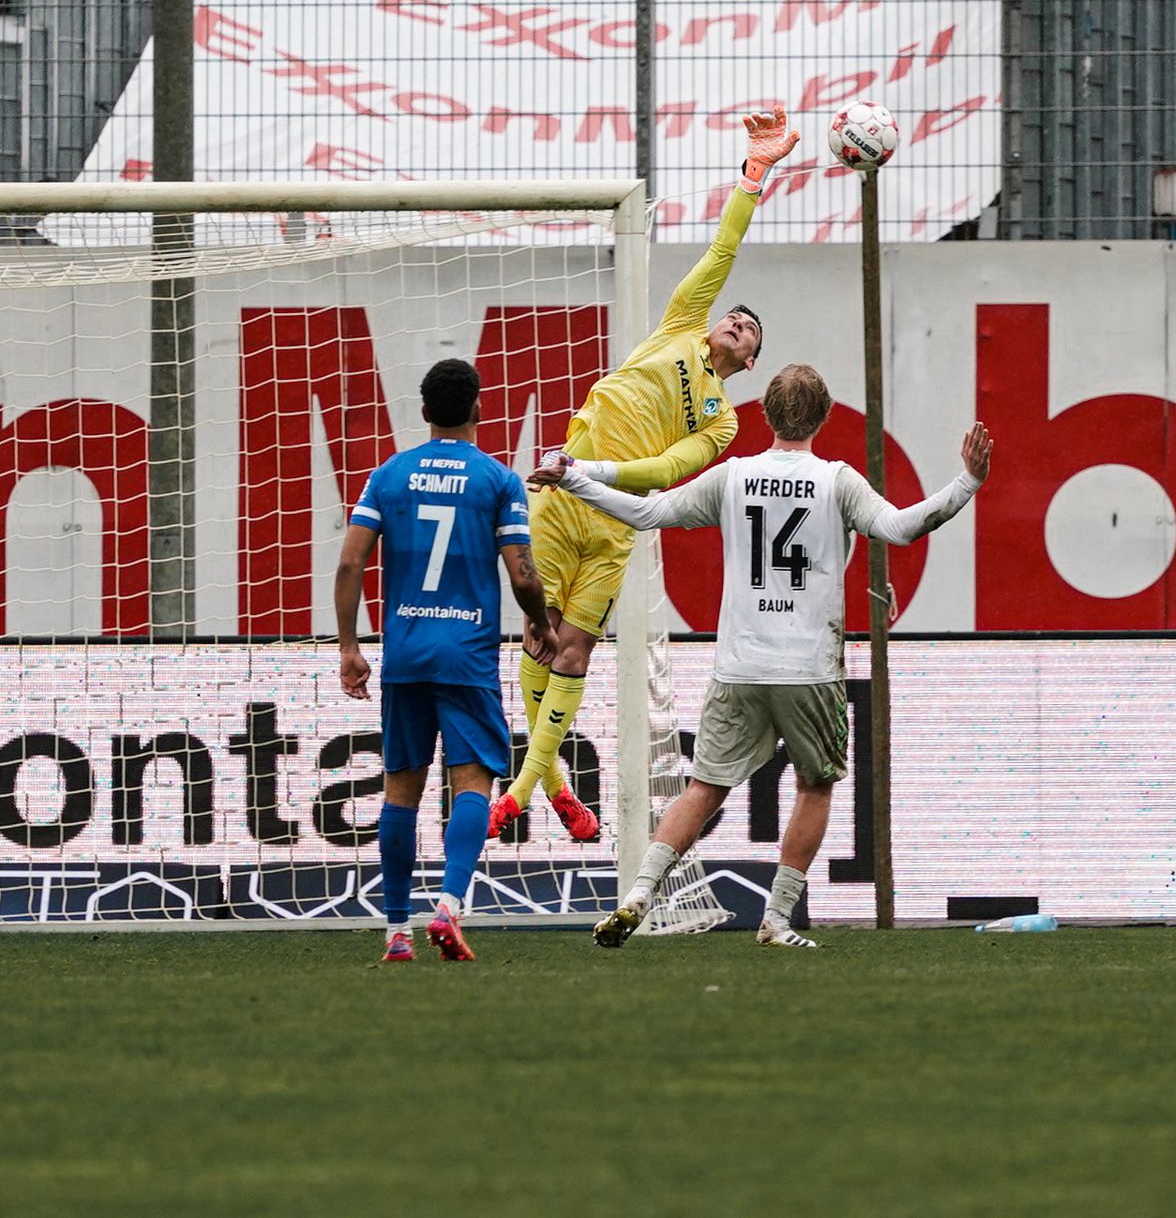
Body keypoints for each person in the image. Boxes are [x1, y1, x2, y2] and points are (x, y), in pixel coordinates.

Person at [530, 364, 992, 949]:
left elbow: (646, 513)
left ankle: (639, 894)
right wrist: (967, 482)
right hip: (809, 669)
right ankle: (775, 920)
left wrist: (574, 480)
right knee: (815, 785)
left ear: (766, 416)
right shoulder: (837, 481)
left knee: (702, 788)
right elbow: (900, 529)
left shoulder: (734, 477)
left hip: (739, 666)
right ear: (823, 418)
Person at [491, 104, 802, 842]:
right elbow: (720, 252)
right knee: (538, 640)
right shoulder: (680, 328)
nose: (735, 321)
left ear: (749, 361)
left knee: (572, 649)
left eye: (749, 329)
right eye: (734, 316)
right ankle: (557, 793)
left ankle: (525, 789)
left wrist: (587, 470)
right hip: (561, 500)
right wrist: (755, 174)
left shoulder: (722, 418)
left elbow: (667, 468)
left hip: (605, 512)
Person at [336, 358, 556, 963]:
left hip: (405, 653)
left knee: (399, 792)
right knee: (473, 784)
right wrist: (540, 622)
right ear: (479, 409)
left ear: (426, 412)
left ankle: (396, 932)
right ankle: (451, 906)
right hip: (467, 657)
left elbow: (350, 563)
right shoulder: (498, 481)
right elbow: (521, 573)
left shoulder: (388, 476)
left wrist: (350, 647)